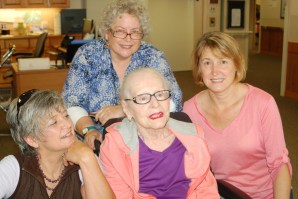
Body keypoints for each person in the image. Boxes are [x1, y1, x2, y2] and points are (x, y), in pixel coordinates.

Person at [183, 31, 292, 199]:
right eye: (207, 63)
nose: (214, 71)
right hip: (221, 194)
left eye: (223, 62)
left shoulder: (263, 104)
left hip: (266, 195)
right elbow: (191, 168)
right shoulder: (190, 110)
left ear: (237, 65)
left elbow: (279, 165)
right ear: (199, 68)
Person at [62, 0, 182, 149]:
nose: (128, 38)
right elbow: (72, 102)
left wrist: (125, 109)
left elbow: (174, 101)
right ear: (107, 33)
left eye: (135, 32)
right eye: (120, 31)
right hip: (95, 142)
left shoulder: (153, 57)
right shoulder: (87, 55)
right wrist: (89, 131)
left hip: (143, 142)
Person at [100, 68, 219, 198]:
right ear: (127, 108)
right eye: (143, 98)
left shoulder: (193, 136)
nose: (155, 104)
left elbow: (207, 191)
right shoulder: (114, 146)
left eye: (160, 95)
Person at [0, 90, 115, 199]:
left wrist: (87, 157)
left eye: (66, 116)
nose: (68, 124)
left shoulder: (85, 160)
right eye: (54, 122)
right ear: (32, 139)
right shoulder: (14, 168)